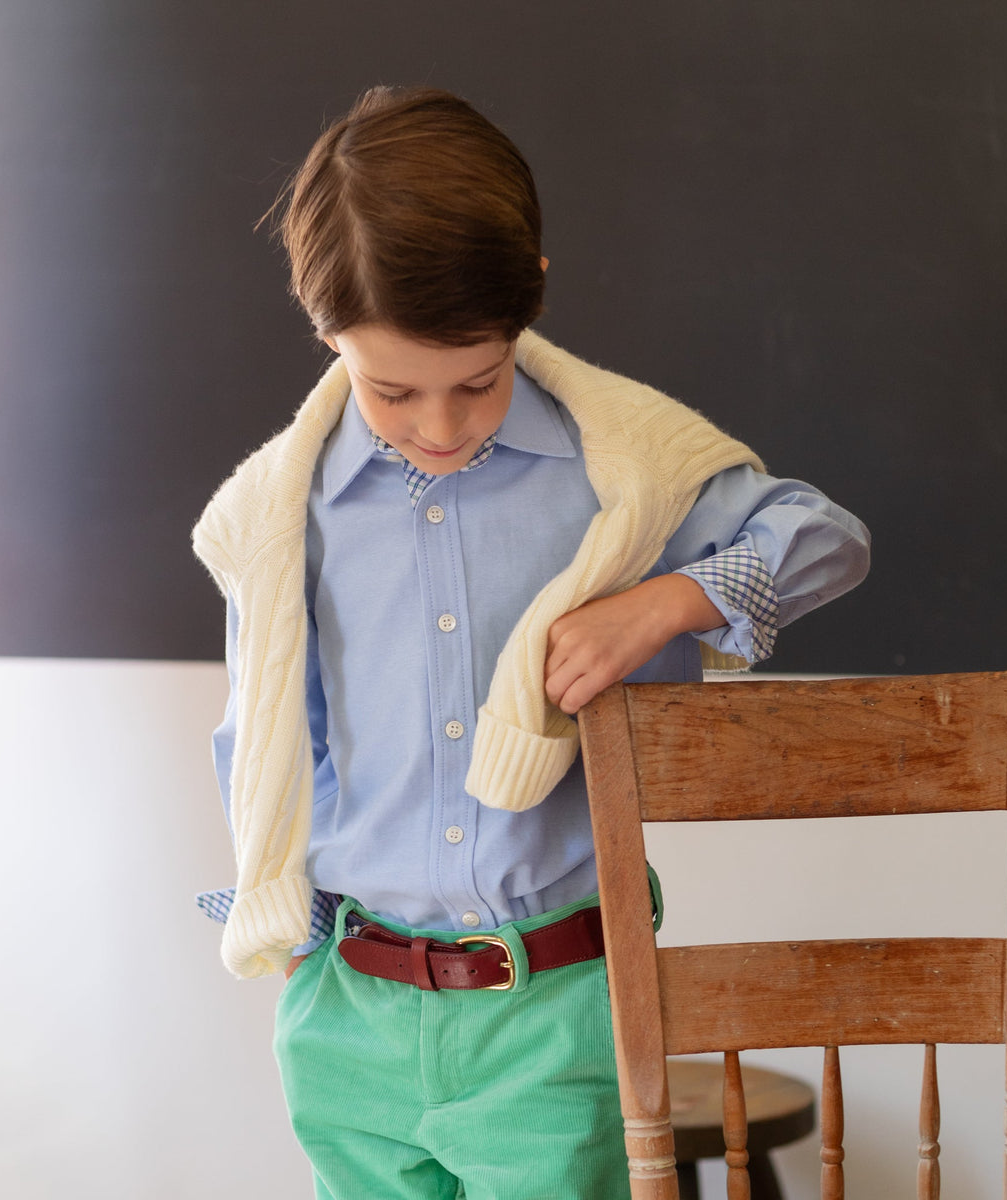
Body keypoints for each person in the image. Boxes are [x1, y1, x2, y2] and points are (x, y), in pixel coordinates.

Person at [192, 85, 870, 1200]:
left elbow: (827, 539)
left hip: (560, 1012)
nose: (444, 424)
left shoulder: (620, 473)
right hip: (349, 1013)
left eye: (480, 380)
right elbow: (265, 738)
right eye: (392, 390)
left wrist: (665, 602)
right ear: (326, 335)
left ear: (529, 304)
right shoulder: (284, 512)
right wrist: (302, 951)